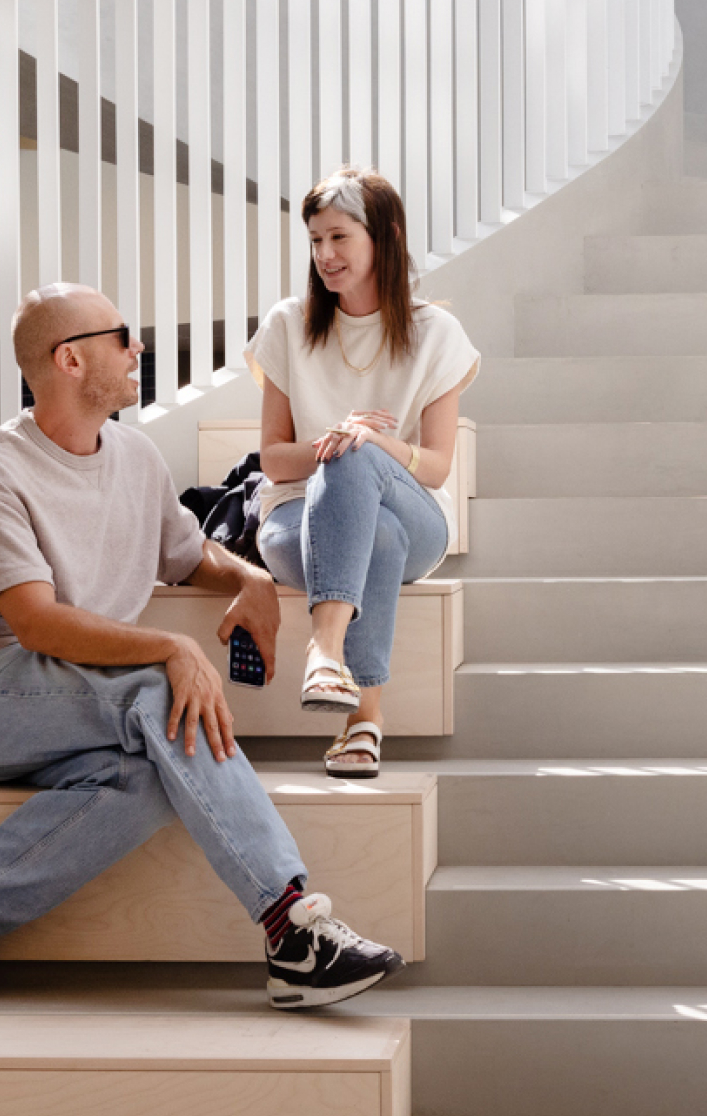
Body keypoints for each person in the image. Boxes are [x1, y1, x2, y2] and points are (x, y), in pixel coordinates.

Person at [0, 282, 404, 1012]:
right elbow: (36, 624)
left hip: (76, 700)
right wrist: (170, 649)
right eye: (122, 335)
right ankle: (290, 927)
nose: (139, 345)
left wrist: (247, 577)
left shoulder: (135, 457)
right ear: (70, 360)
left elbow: (186, 556)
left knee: (148, 783)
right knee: (161, 691)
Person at [246, 166, 480, 778]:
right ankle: (364, 721)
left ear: (386, 237)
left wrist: (373, 441)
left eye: (339, 237)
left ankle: (325, 649)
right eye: (315, 240)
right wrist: (331, 442)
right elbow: (273, 457)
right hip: (296, 515)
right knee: (374, 533)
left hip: (413, 511)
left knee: (359, 461)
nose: (325, 254)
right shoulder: (288, 324)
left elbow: (434, 468)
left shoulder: (436, 334)